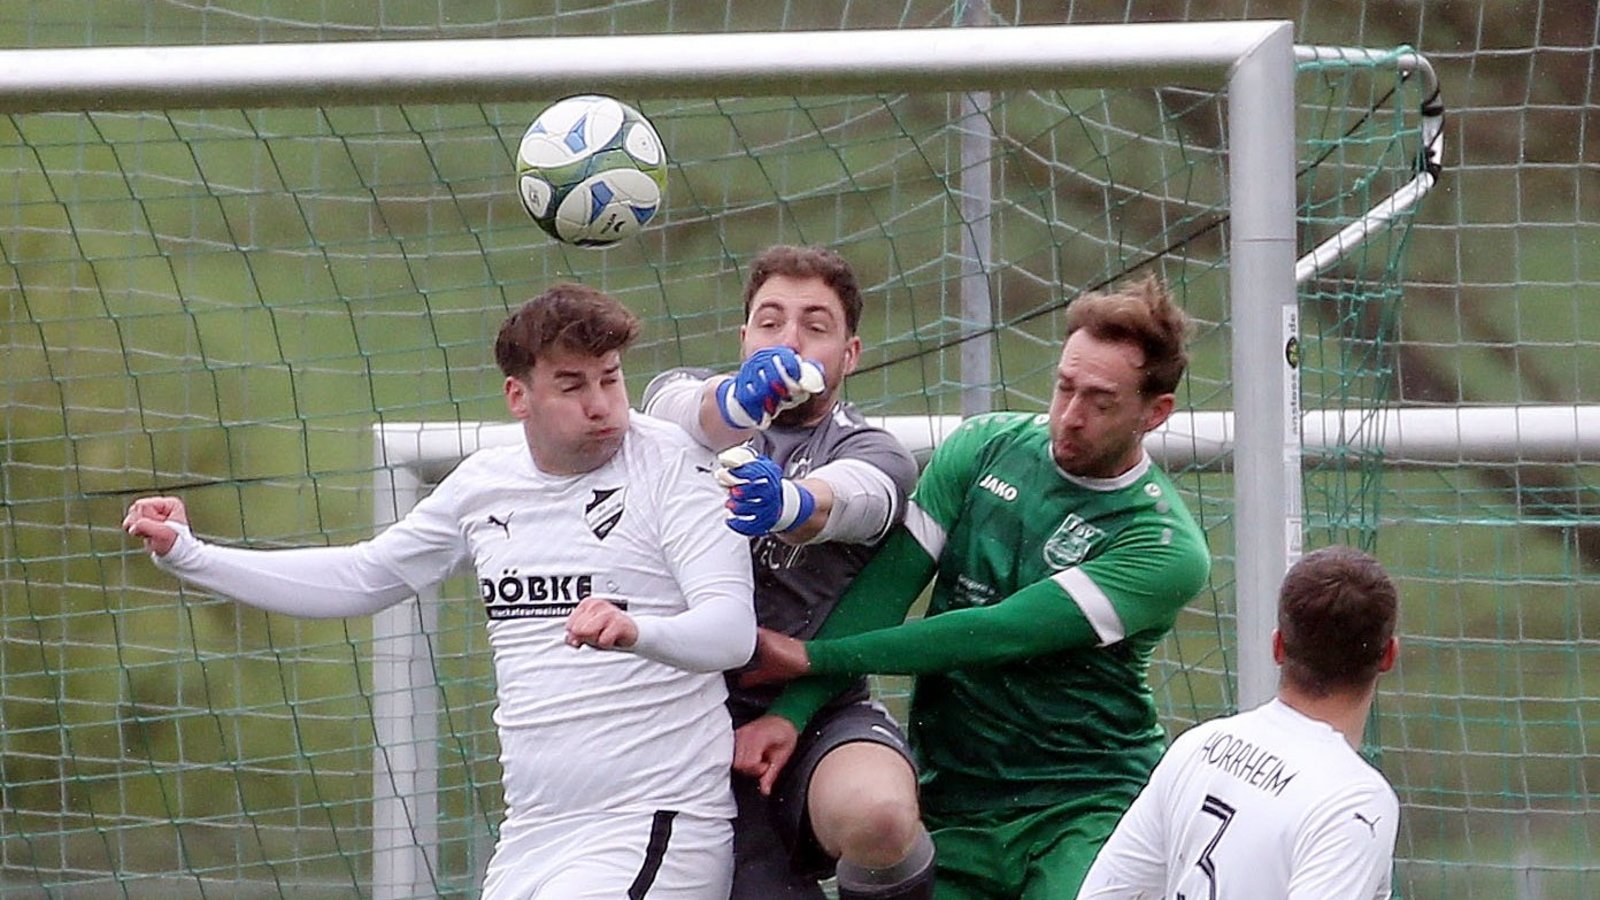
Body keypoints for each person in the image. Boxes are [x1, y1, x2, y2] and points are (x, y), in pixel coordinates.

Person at [123, 283, 756, 900]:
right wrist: (191, 556)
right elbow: (365, 576)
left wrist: (638, 629)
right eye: (572, 385)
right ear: (519, 395)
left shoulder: (675, 466)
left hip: (652, 819)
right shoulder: (485, 483)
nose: (601, 405)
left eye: (610, 379)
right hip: (533, 831)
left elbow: (731, 633)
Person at [736, 274, 1213, 899]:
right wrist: (793, 713)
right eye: (1064, 387)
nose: (1068, 416)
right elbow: (886, 589)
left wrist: (812, 655)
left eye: (1100, 400)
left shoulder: (1164, 546)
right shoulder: (985, 447)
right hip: (953, 796)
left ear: (1156, 412)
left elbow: (997, 633)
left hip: (1085, 804)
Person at [642, 244, 933, 900]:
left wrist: (789, 502)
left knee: (880, 815)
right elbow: (680, 405)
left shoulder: (872, 450)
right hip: (678, 714)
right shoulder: (680, 412)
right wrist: (740, 404)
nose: (790, 340)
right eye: (770, 323)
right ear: (743, 337)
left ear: (850, 354)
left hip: (815, 706)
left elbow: (855, 499)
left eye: (815, 326)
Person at [1075, 545, 1401, 899]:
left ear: (1277, 646)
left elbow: (1105, 893)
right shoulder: (1353, 800)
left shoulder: (1200, 744)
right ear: (1388, 655)